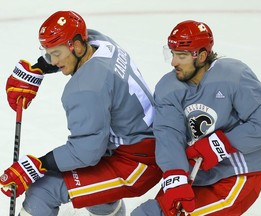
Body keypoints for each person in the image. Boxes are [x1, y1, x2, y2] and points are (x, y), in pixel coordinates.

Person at [1, 10, 162, 216]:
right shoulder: (101, 44)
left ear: (76, 46)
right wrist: (38, 68)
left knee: (43, 191)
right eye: (48, 53)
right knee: (85, 180)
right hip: (143, 142)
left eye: (56, 54)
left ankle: (107, 203)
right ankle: (106, 205)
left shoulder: (85, 88)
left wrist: (39, 164)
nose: (52, 60)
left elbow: (86, 152)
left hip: (138, 164)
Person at [131, 20, 261, 216]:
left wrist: (220, 143)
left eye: (182, 56)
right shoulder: (168, 88)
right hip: (199, 174)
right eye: (172, 54)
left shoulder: (233, 76)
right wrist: (175, 173)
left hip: (238, 173)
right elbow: (168, 134)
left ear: (202, 56)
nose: (173, 62)